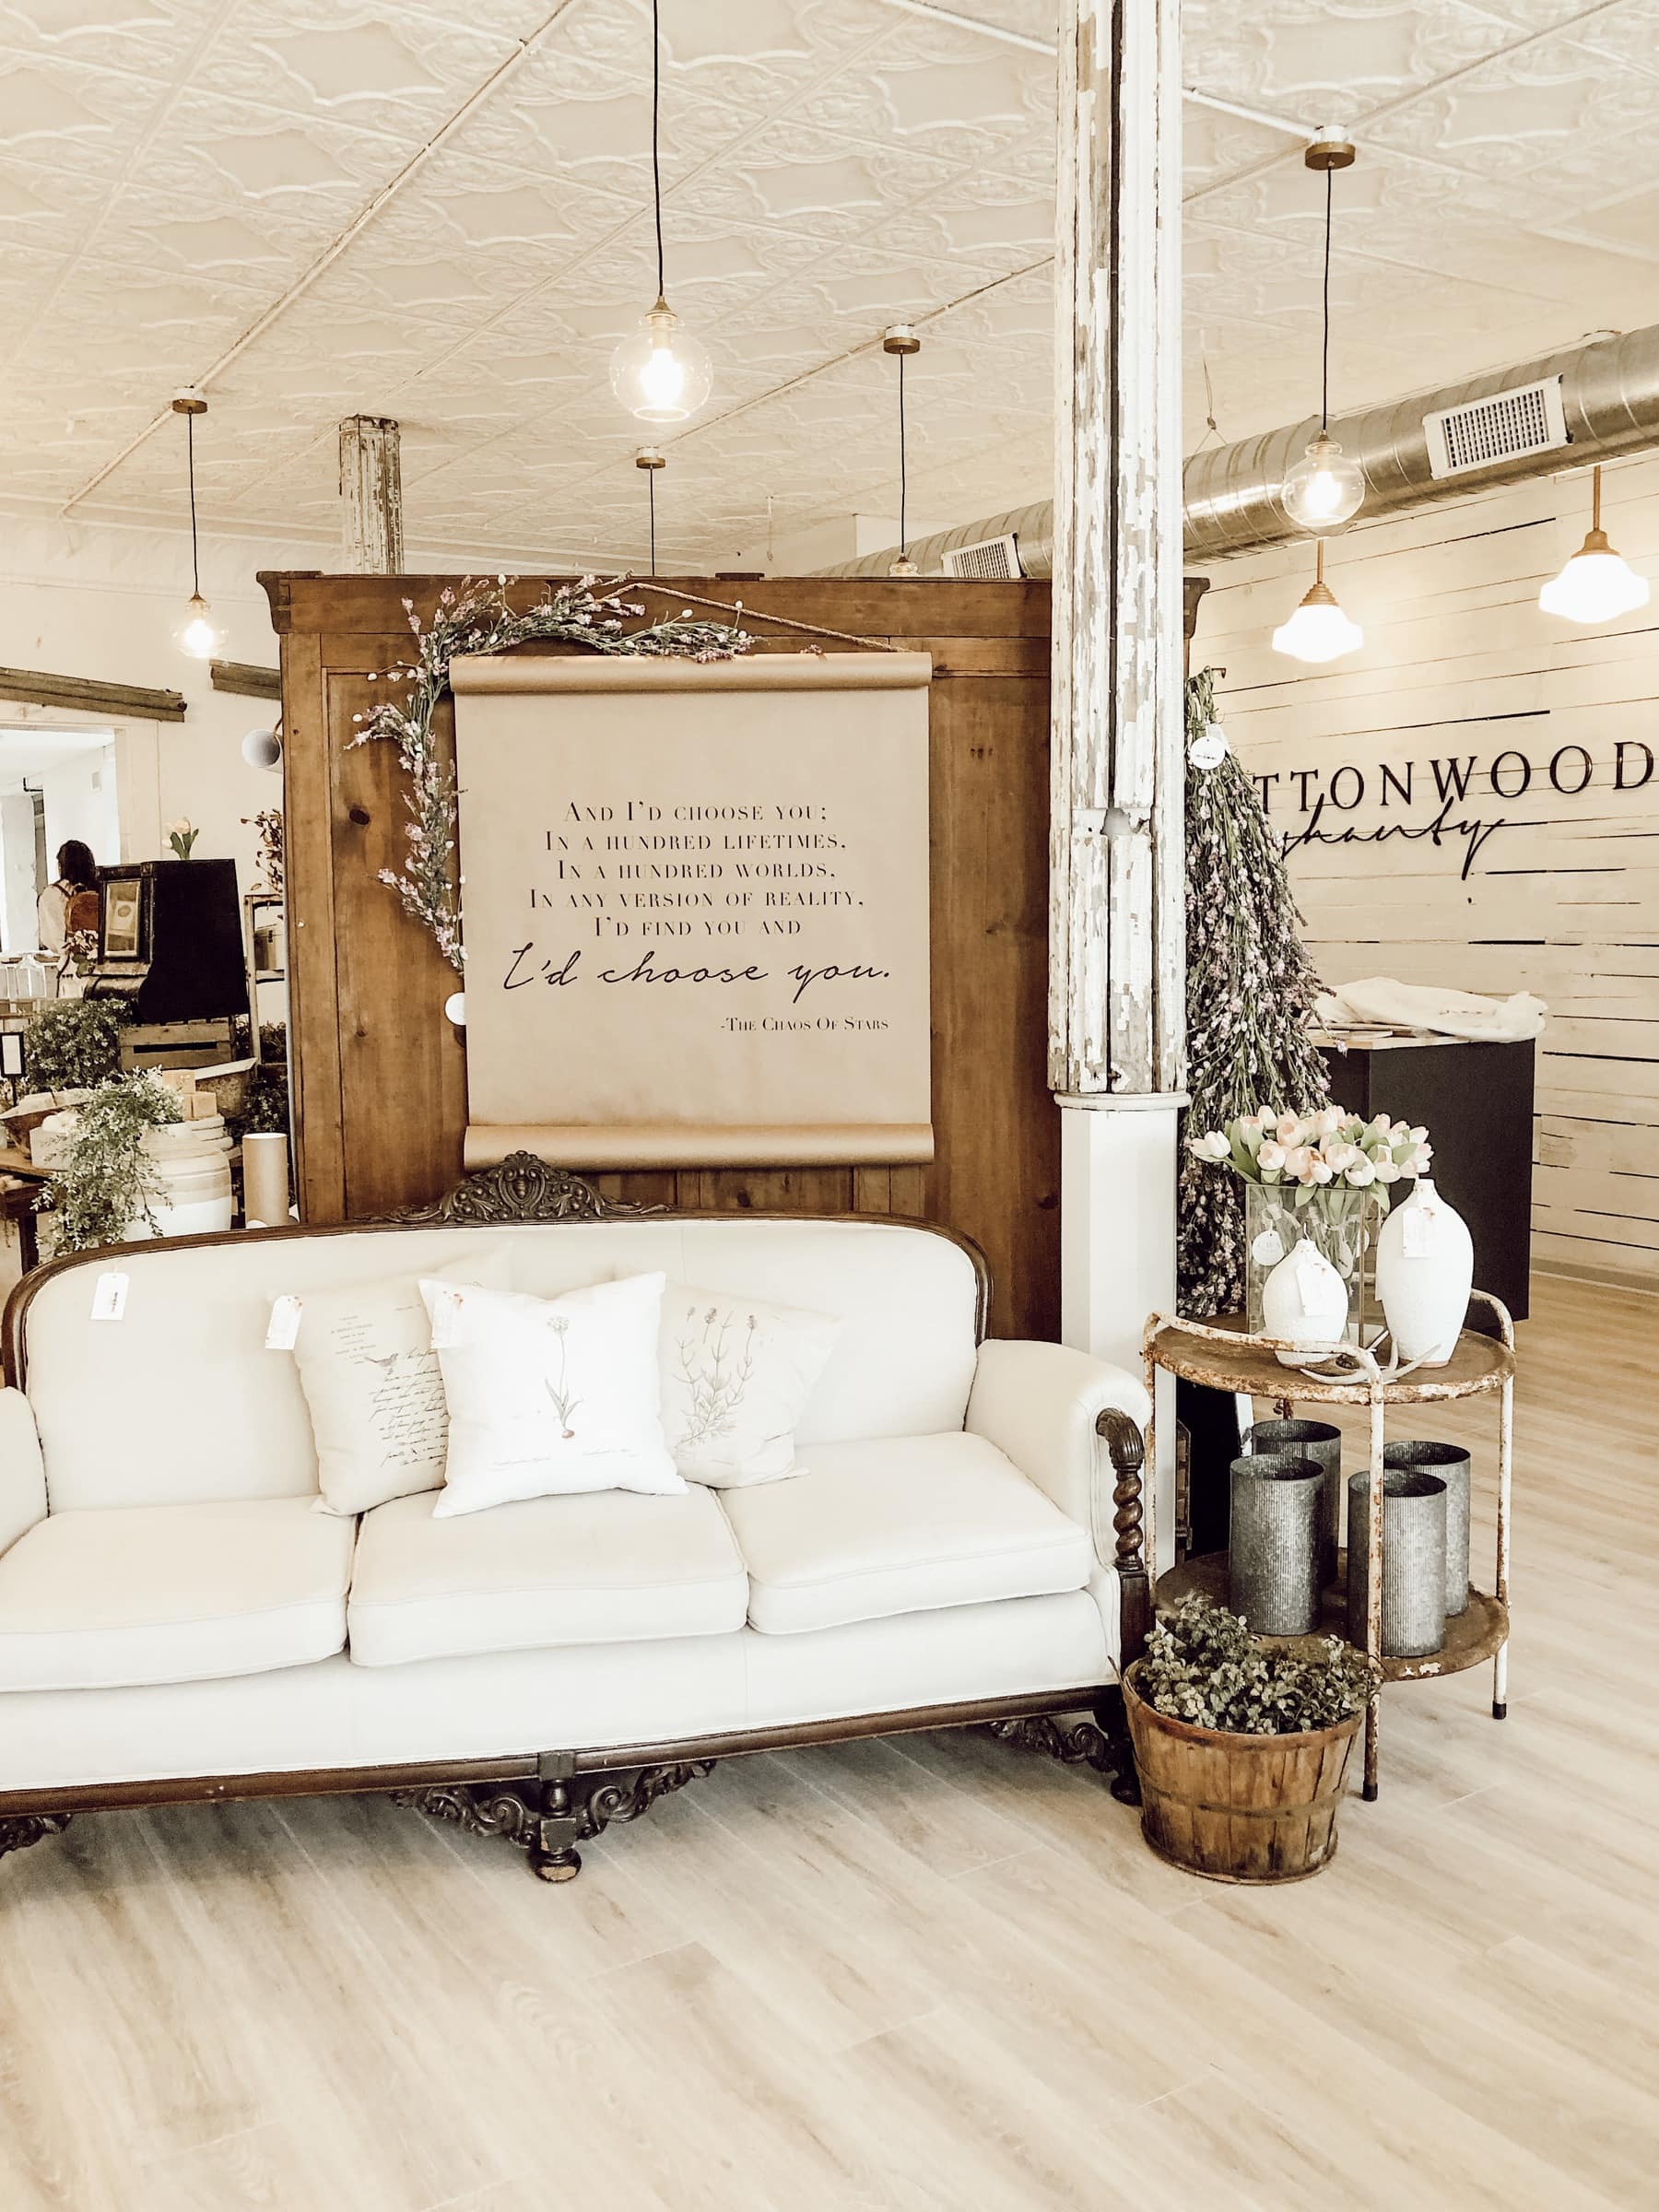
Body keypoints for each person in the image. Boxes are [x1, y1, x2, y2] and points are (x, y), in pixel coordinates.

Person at [37, 839, 99, 957]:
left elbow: (49, 938)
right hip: (100, 957)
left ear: (62, 865)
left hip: (71, 960)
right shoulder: (101, 889)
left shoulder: (52, 893)